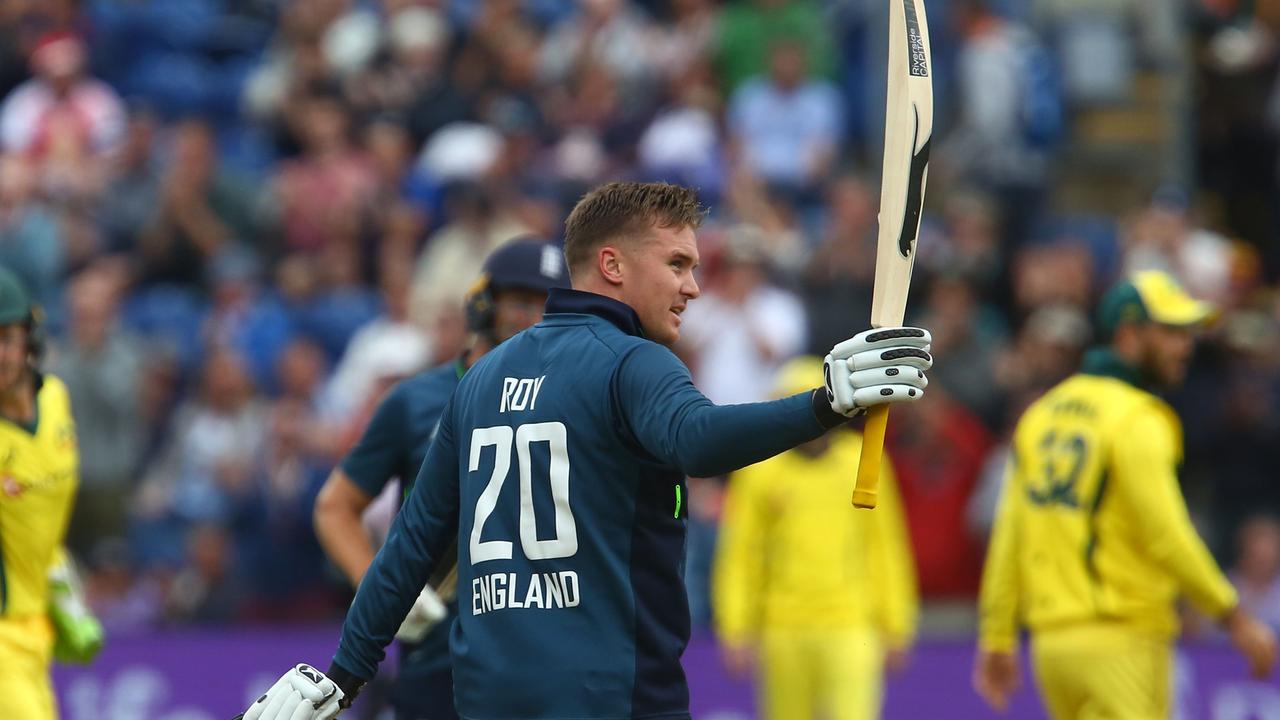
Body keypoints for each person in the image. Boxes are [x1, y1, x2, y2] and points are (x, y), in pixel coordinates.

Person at [239, 181, 932, 720]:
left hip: (486, 699)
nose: (694, 285)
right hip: (613, 696)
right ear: (611, 264)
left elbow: (411, 545)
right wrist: (827, 402)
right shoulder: (634, 363)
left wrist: (340, 673)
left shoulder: (480, 380)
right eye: (678, 263)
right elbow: (700, 439)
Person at [973, 270, 1278, 719]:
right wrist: (1233, 616)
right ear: (1129, 334)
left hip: (1053, 648)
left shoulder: (1042, 414)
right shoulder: (1138, 419)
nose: (1186, 346)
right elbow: (1166, 534)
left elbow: (1011, 533)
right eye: (1172, 332)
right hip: (1121, 639)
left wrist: (998, 635)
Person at [312, 238, 570, 720]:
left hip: (541, 648)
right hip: (438, 654)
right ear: (482, 304)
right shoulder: (416, 401)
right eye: (520, 300)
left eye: (547, 305)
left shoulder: (575, 400)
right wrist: (380, 586)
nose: (534, 317)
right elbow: (335, 507)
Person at [713, 355, 918, 720]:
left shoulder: (864, 461)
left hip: (852, 623)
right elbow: (741, 554)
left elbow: (886, 547)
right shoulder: (761, 472)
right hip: (782, 626)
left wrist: (896, 625)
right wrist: (736, 627)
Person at [0, 266, 101, 719]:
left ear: (30, 339)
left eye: (4, 337)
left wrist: (62, 586)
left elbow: (42, 524)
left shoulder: (56, 398)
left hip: (36, 628)